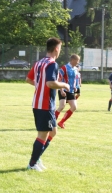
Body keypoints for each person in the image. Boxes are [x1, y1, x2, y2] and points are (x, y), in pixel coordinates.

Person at [26, 37, 70, 172]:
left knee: (53, 132)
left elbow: (28, 79)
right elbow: (50, 83)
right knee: (43, 135)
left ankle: (37, 158)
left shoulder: (39, 63)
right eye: (60, 48)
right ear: (56, 48)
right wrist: (64, 85)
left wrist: (43, 87)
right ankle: (32, 164)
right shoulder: (52, 64)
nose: (60, 51)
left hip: (39, 103)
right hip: (45, 105)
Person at [55, 54, 80, 129]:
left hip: (71, 91)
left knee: (74, 107)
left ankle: (61, 122)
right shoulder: (64, 68)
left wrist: (75, 87)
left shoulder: (75, 69)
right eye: (77, 61)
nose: (78, 63)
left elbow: (75, 79)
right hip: (63, 90)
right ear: (72, 60)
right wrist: (61, 90)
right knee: (62, 106)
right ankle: (52, 122)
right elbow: (59, 79)